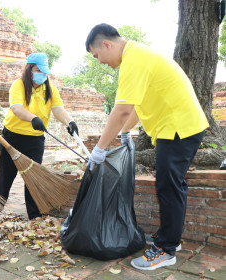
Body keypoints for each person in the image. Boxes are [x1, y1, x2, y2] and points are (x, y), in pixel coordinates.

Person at [85, 24, 209, 270]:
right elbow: (132, 109)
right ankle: (169, 238)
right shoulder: (136, 55)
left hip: (178, 126)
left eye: (97, 56)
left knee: (168, 185)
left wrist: (99, 150)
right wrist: (124, 134)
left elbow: (120, 110)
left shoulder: (134, 61)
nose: (100, 62)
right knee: (170, 184)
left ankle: (166, 249)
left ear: (106, 44)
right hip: (177, 125)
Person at [0, 53, 79, 220]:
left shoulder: (50, 89)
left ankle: (34, 217)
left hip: (35, 140)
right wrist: (32, 118)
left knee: (33, 180)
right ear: (29, 69)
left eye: (44, 71)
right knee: (6, 178)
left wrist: (69, 121)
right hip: (12, 138)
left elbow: (58, 110)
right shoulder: (18, 85)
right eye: (38, 70)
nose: (42, 74)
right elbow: (17, 108)